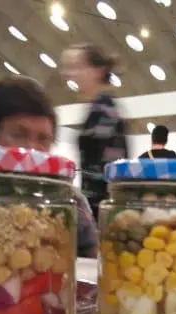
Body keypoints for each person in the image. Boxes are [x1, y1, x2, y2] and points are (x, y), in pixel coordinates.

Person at [0, 75, 98, 258]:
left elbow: (91, 260)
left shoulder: (70, 200)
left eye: (43, 139)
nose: (32, 150)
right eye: (18, 135)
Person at [61, 43, 129, 221]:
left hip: (100, 214)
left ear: (98, 71)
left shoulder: (104, 111)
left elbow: (106, 174)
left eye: (77, 67)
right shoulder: (100, 108)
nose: (70, 74)